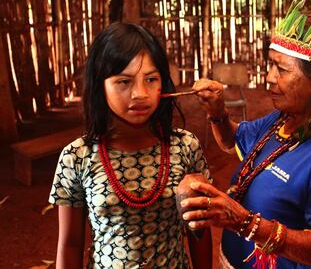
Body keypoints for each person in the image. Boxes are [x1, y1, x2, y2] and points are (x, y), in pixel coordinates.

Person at [181, 0, 311, 268]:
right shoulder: (281, 120)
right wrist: (217, 111)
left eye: (282, 69)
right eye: (271, 64)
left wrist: (243, 222)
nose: (269, 77)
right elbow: (233, 141)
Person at [48, 22, 212, 268]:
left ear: (163, 84)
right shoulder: (76, 157)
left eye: (151, 79)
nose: (140, 93)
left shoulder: (185, 147)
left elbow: (199, 232)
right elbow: (70, 244)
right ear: (100, 85)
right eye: (124, 82)